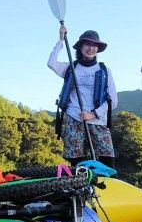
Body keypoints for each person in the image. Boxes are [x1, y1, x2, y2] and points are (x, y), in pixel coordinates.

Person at [48, 27, 117, 170]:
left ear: (98, 48)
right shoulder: (71, 67)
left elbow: (113, 101)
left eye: (94, 45)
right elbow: (51, 63)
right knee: (76, 160)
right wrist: (61, 40)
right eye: (87, 44)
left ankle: (110, 185)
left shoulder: (104, 70)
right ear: (80, 47)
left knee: (107, 157)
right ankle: (80, 186)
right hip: (74, 117)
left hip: (97, 119)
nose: (91, 48)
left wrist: (93, 114)